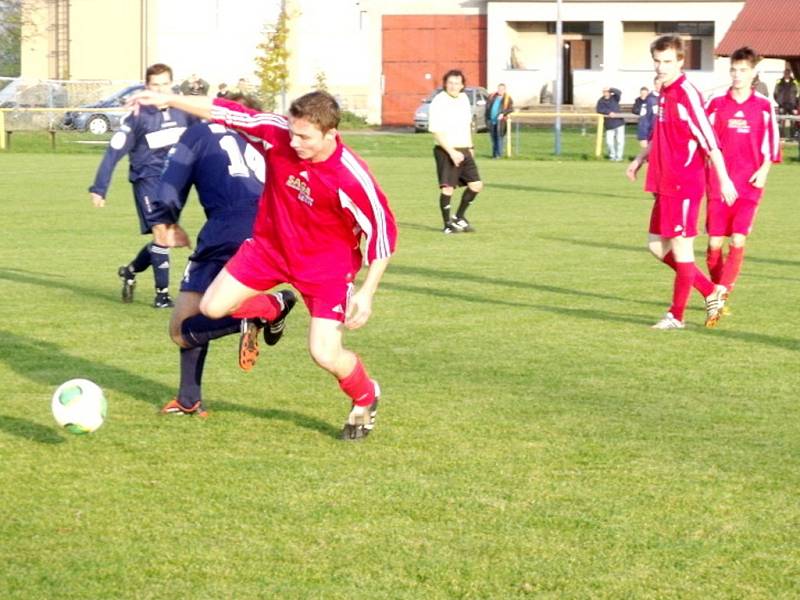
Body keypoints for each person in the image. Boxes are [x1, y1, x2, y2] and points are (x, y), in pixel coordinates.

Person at [128, 88, 397, 440]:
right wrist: (171, 99)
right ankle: (271, 307)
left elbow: (383, 232)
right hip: (269, 251)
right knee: (211, 306)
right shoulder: (277, 135)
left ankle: (365, 395)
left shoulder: (350, 176)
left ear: (331, 134)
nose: (295, 142)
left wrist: (367, 292)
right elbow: (227, 111)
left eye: (304, 137)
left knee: (324, 353)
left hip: (325, 269)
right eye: (292, 131)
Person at [144, 94, 291, 417]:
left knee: (181, 329)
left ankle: (266, 308)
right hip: (272, 227)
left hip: (227, 227)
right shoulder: (263, 135)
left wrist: (165, 221)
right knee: (195, 314)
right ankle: (188, 399)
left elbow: (168, 187)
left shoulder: (199, 132)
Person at [626, 35, 737, 330]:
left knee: (682, 249)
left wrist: (724, 179)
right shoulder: (664, 92)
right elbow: (661, 134)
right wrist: (640, 159)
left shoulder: (687, 93)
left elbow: (709, 139)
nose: (661, 67)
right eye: (657, 61)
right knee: (654, 246)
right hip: (664, 182)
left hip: (685, 184)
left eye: (667, 62)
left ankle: (676, 316)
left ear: (680, 62)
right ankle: (711, 290)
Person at [89, 63, 198, 308]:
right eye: (154, 85)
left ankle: (129, 271)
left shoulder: (185, 113)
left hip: (175, 183)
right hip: (147, 179)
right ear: (147, 86)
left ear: (172, 84)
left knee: (164, 239)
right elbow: (114, 151)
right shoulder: (138, 116)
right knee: (162, 232)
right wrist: (99, 187)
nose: (160, 89)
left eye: (164, 84)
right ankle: (162, 296)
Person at [704, 47, 781, 315]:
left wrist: (765, 170)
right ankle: (716, 289)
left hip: (749, 183)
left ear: (754, 72)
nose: (737, 75)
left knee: (737, 239)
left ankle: (721, 294)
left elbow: (772, 142)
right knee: (715, 244)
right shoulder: (716, 103)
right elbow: (704, 138)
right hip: (718, 182)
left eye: (743, 70)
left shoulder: (763, 106)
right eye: (734, 70)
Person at [428, 69, 484, 234]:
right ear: (445, 83)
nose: (453, 86)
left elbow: (467, 125)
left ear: (462, 85)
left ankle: (459, 217)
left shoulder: (464, 98)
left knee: (476, 185)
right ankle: (447, 225)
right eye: (450, 83)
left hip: (464, 148)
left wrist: (470, 147)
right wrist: (451, 152)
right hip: (446, 150)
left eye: (456, 83)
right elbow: (436, 130)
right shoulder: (439, 101)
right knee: (448, 188)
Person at [596, 86, 625, 161]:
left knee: (620, 141)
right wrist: (608, 112)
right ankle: (612, 156)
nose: (605, 93)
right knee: (609, 143)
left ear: (609, 92)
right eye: (604, 91)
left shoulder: (614, 98)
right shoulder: (601, 101)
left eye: (607, 91)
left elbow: (619, 92)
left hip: (619, 123)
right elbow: (599, 109)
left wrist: (611, 88)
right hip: (609, 125)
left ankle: (619, 157)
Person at [485, 83, 513, 158]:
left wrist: (503, 114)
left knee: (499, 137)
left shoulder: (507, 98)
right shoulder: (492, 97)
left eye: (502, 89)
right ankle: (494, 154)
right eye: (499, 89)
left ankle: (499, 154)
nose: (500, 90)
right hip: (491, 120)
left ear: (504, 90)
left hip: (501, 122)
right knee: (493, 138)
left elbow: (510, 109)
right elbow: (487, 107)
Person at [632, 81, 661, 149]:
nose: (659, 86)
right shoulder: (649, 99)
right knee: (648, 151)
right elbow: (644, 117)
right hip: (649, 129)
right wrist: (643, 135)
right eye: (657, 84)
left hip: (662, 130)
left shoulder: (666, 97)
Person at [773, 68, 798, 138]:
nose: (787, 74)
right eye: (785, 73)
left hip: (792, 105)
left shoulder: (795, 82)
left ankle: (793, 136)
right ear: (783, 73)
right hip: (782, 105)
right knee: (781, 121)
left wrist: (796, 106)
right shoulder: (779, 82)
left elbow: (798, 94)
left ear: (790, 74)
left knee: (794, 121)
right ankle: (781, 136)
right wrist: (779, 103)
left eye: (788, 73)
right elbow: (775, 94)